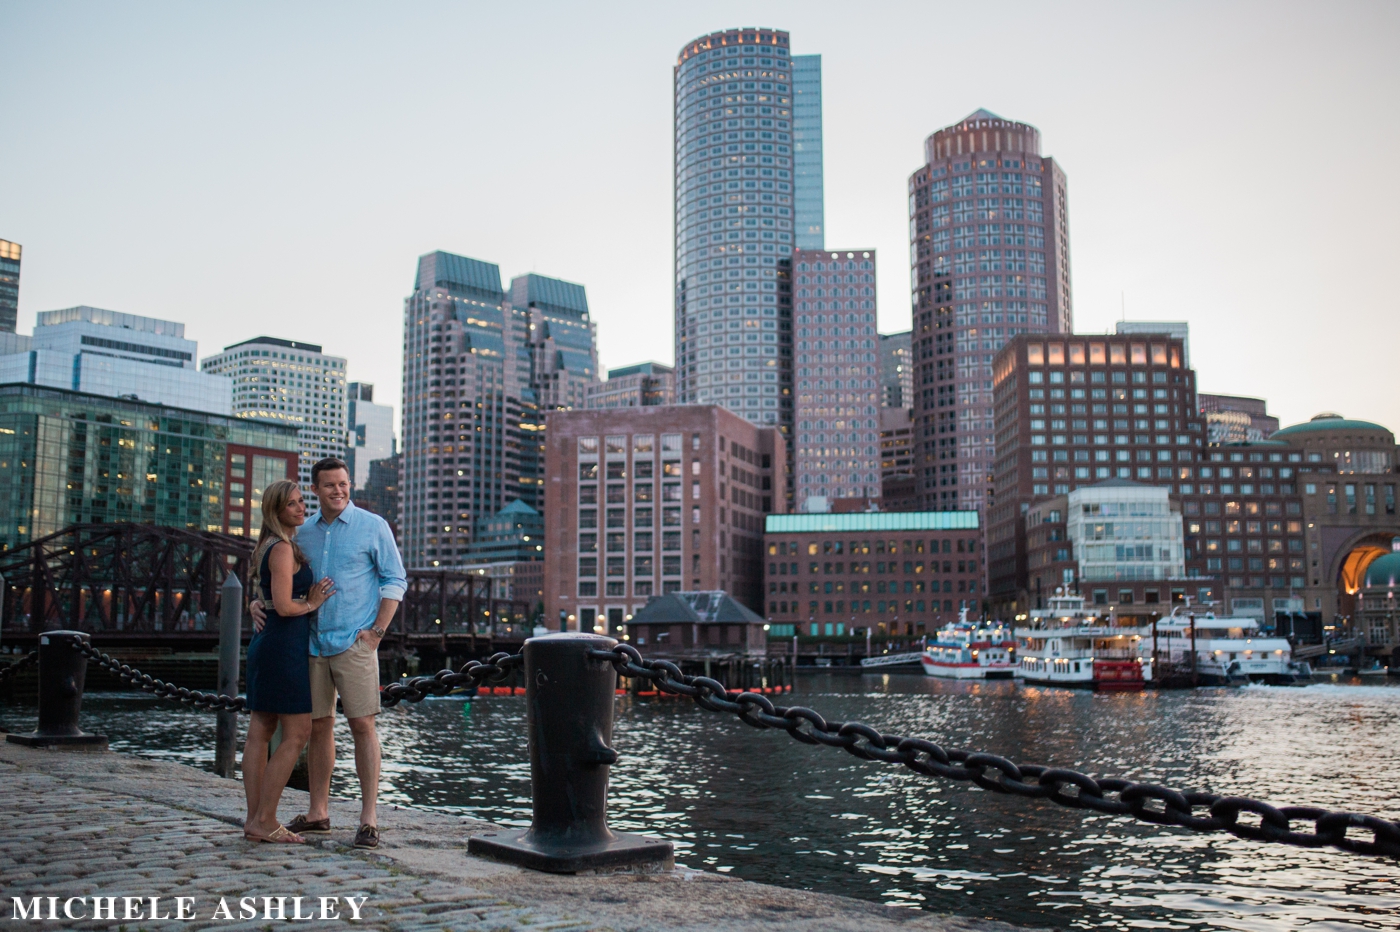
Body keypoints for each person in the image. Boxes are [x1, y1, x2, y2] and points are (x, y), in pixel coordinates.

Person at [251, 457, 405, 849]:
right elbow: (277, 577)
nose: (338, 491)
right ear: (315, 489)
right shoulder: (301, 534)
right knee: (317, 728)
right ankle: (318, 812)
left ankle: (368, 818)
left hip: (354, 642)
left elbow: (394, 580)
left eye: (343, 484)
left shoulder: (373, 527)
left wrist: (376, 634)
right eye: (329, 486)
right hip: (310, 643)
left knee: (362, 726)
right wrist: (258, 602)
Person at [241, 479, 335, 844]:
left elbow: (266, 596)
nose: (301, 509)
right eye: (293, 504)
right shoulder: (281, 548)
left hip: (269, 644)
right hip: (283, 647)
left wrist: (255, 603)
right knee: (298, 733)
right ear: (276, 510)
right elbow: (282, 605)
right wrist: (311, 604)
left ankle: (255, 819)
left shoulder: (267, 545)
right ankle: (264, 819)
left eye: (301, 502)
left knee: (260, 731)